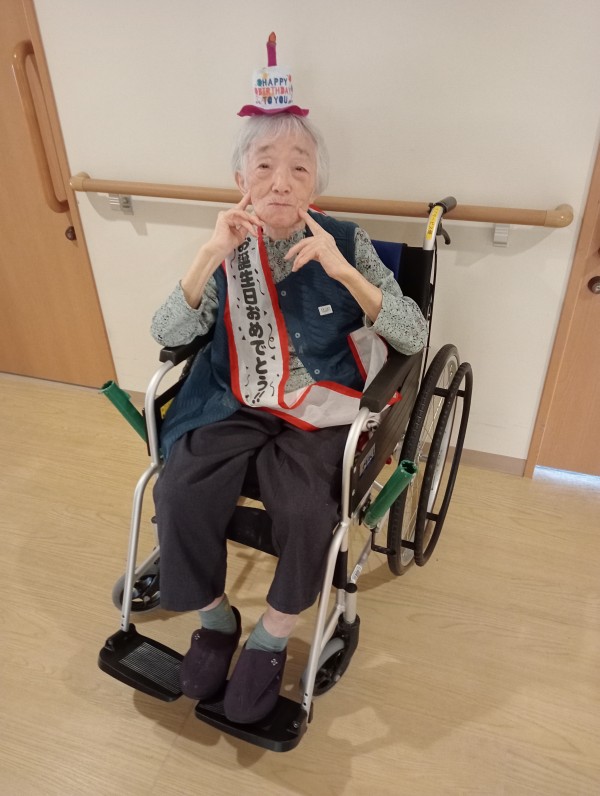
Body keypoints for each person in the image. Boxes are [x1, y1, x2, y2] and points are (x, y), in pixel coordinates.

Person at [150, 110, 427, 725]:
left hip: (321, 406)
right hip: (235, 397)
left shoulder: (345, 239)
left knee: (307, 512)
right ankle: (216, 621)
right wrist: (209, 253)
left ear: (315, 183)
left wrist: (345, 272)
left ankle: (271, 636)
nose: (281, 181)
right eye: (265, 165)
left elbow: (412, 335)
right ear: (240, 179)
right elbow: (166, 333)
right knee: (178, 489)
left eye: (299, 168)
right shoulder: (229, 243)